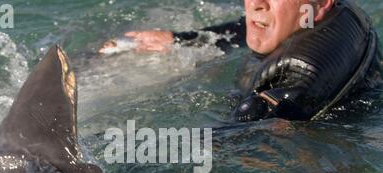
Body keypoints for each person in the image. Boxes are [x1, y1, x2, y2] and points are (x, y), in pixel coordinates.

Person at [100, 0, 383, 122]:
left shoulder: (297, 81)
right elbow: (260, 21)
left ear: (321, 5)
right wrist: (182, 39)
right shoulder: (322, 18)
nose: (255, 4)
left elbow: (240, 141)